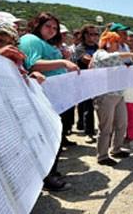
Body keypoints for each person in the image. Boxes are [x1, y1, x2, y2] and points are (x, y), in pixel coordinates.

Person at [19, 12, 80, 191]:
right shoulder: (30, 39)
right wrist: (62, 62)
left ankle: (51, 171)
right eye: (48, 26)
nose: (52, 31)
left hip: (56, 96)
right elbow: (33, 63)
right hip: (45, 96)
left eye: (55, 28)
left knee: (56, 135)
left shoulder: (47, 44)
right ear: (37, 24)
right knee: (47, 137)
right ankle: (47, 177)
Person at [91, 31, 133, 166]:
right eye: (115, 42)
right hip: (105, 95)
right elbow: (110, 58)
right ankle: (102, 155)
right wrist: (131, 54)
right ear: (108, 42)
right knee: (106, 127)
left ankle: (116, 148)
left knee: (122, 123)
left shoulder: (113, 56)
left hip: (118, 94)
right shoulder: (100, 53)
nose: (118, 45)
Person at [74, 24, 99, 143]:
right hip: (84, 81)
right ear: (84, 35)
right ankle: (89, 132)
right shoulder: (80, 48)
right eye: (90, 34)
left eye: (96, 34)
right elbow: (86, 60)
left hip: (97, 80)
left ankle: (82, 125)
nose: (93, 37)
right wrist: (104, 60)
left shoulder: (99, 48)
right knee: (87, 106)